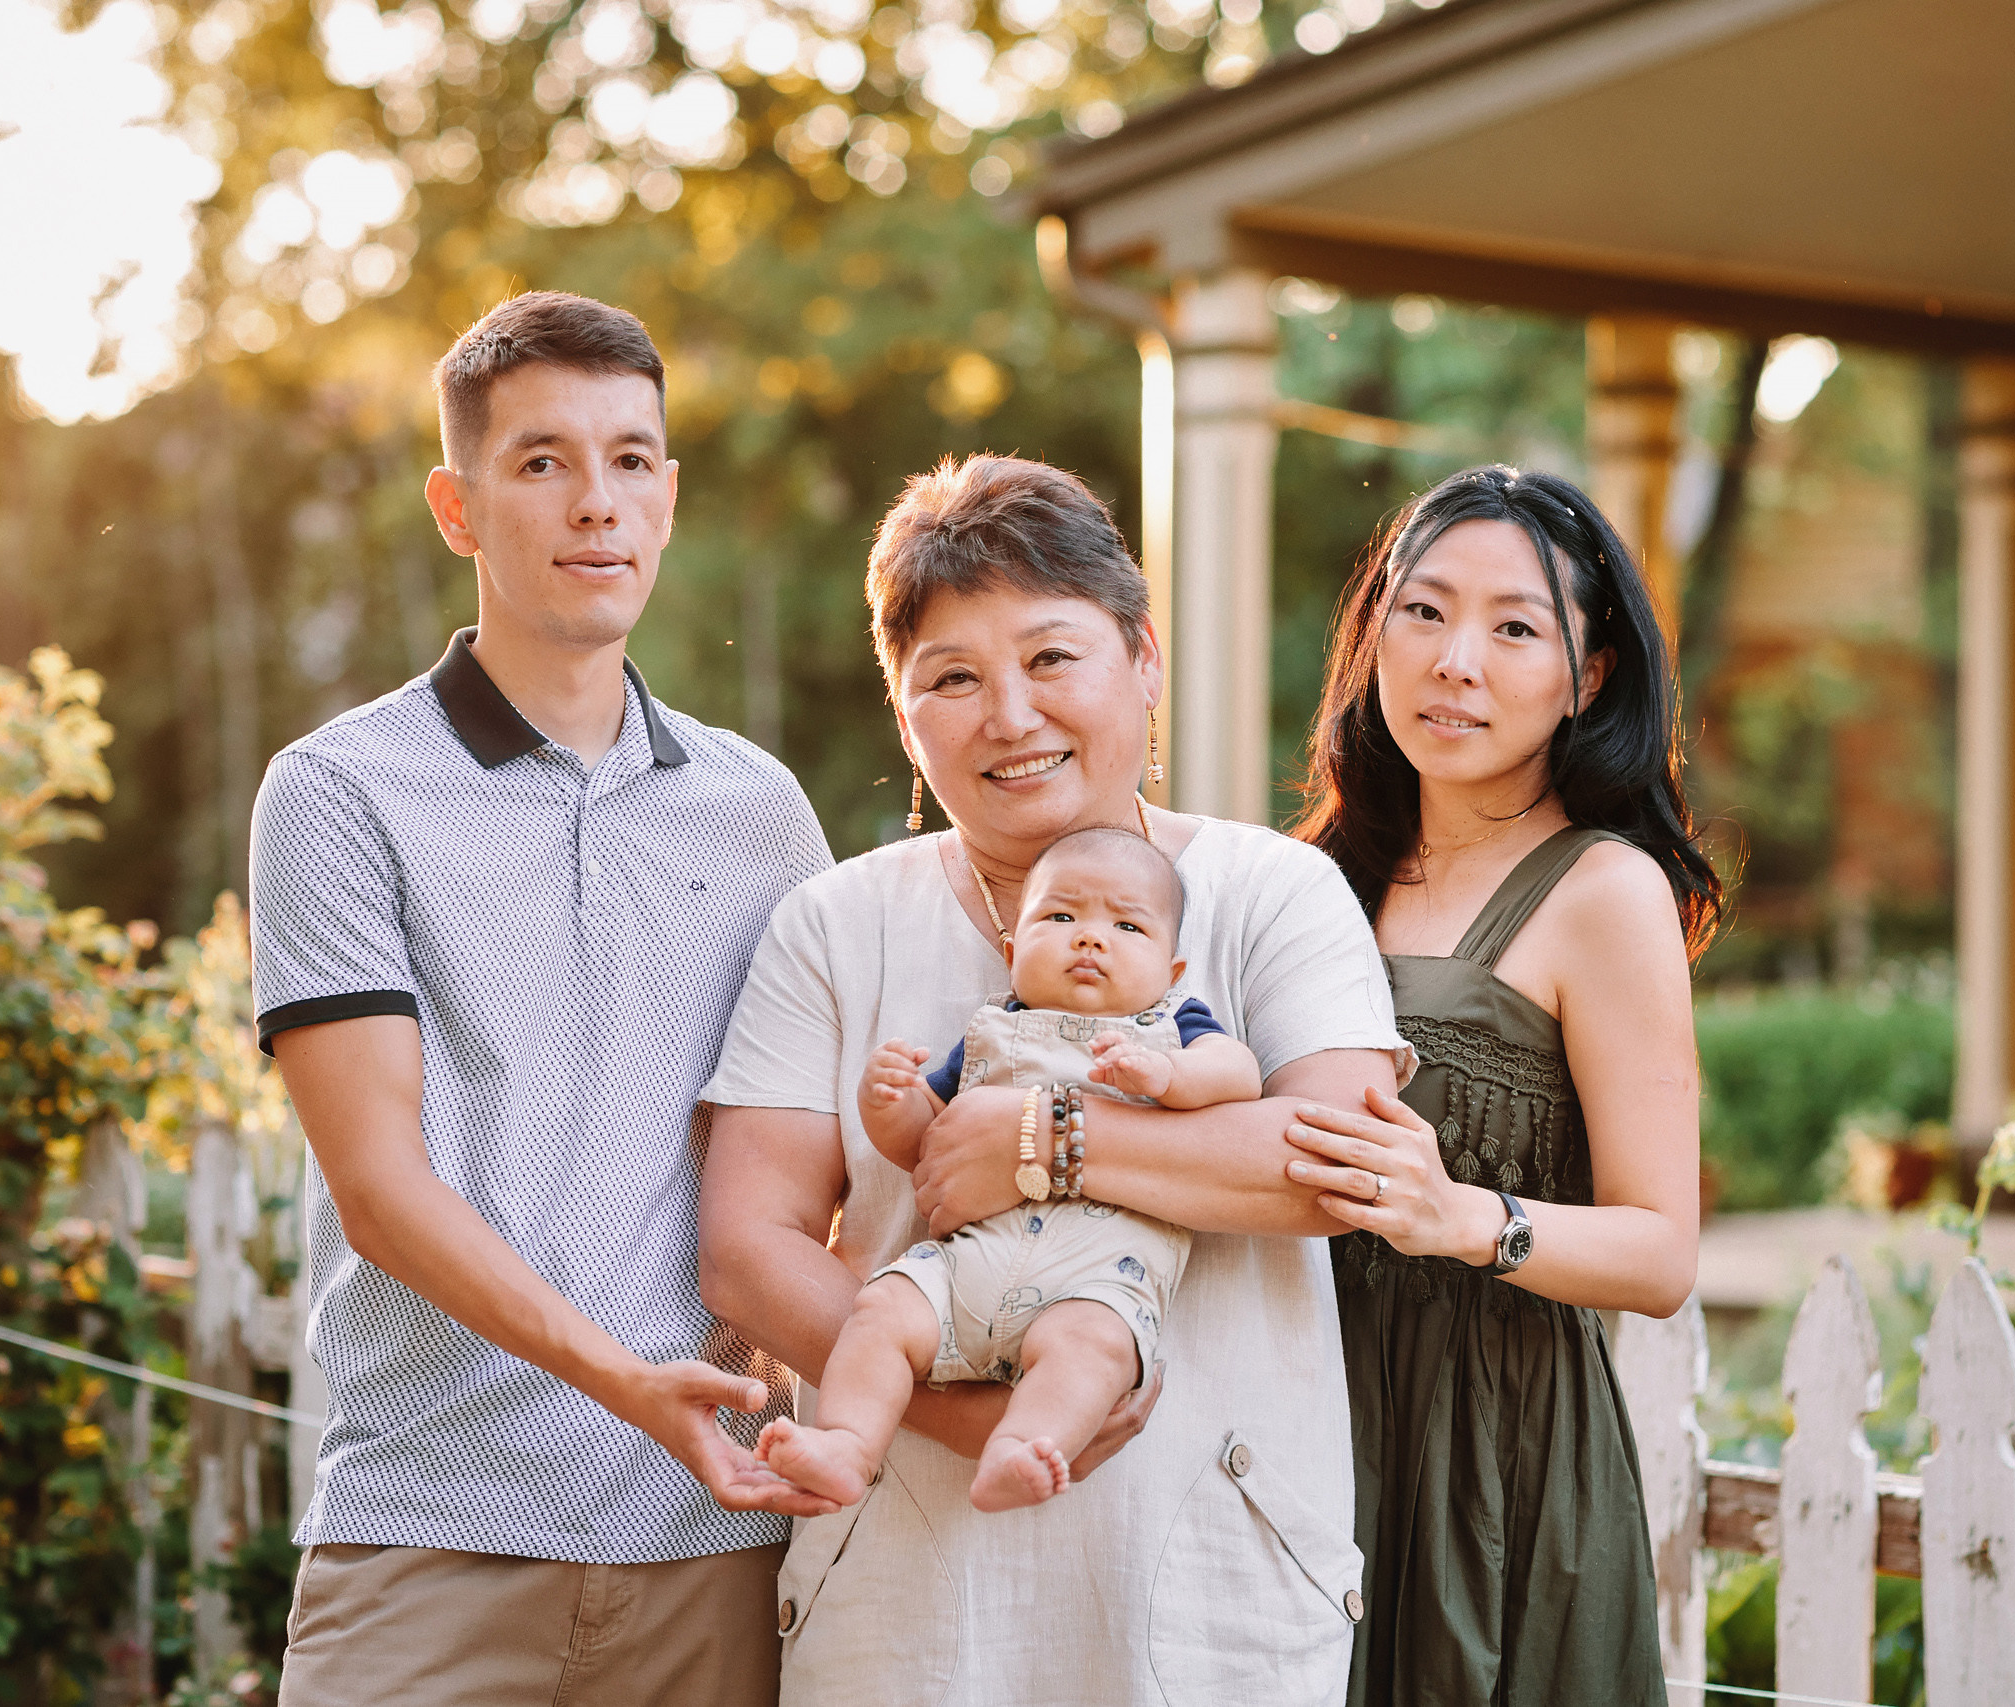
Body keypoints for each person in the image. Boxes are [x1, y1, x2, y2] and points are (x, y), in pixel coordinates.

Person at [697, 453, 1413, 1706]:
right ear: (903, 710)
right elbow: (745, 1248)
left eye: (1050, 658)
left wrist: (1046, 1141)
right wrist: (956, 1412)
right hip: (907, 1588)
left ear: (1142, 659)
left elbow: (1335, 1162)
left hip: (1212, 1574)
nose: (1009, 715)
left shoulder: (1265, 894)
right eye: (952, 679)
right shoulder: (833, 923)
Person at [250, 291, 836, 1707]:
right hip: (432, 1537)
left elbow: (827, 1145)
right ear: (458, 508)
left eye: (632, 459)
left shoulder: (761, 809)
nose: (597, 504)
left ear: (670, 496)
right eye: (542, 462)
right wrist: (628, 1380)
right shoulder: (337, 793)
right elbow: (382, 1190)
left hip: (720, 1538)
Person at [1285, 465, 1722, 1707]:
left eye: (1514, 627)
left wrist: (1465, 1218)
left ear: (1587, 678)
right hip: (1298, 1426)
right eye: (1419, 612)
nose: (1453, 660)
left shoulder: (1603, 894)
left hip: (1495, 1461)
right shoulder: (1310, 881)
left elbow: (1660, 1249)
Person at [756, 824, 1263, 1513]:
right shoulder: (991, 1030)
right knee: (880, 1309)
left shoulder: (1175, 1023)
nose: (1090, 937)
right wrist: (887, 1101)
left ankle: (1017, 1445)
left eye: (1127, 924)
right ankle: (847, 1444)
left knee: (1093, 1349)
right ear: (1013, 948)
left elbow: (1240, 1075)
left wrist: (1171, 1073)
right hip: (968, 1267)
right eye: (1061, 916)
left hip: (1096, 1279)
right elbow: (924, 1146)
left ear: (1171, 969)